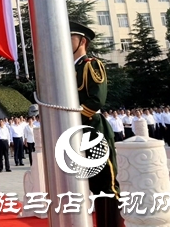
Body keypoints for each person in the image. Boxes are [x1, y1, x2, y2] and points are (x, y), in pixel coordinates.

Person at [70, 20, 123, 227]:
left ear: (82, 41)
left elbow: (96, 100)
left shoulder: (91, 65)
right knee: (81, 186)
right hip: (73, 133)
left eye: (70, 38)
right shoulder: (63, 70)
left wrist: (70, 119)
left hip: (93, 132)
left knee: (105, 186)